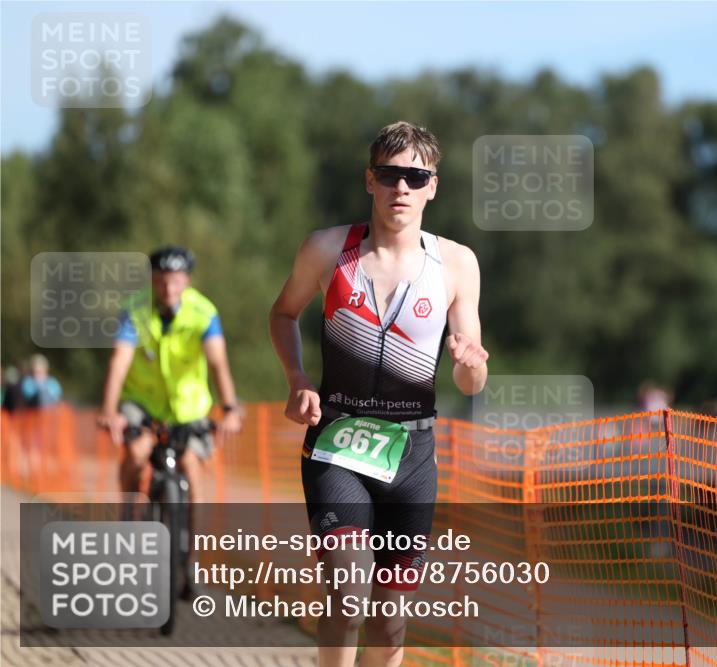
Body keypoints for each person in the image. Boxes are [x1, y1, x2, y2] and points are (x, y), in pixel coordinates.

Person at [269, 121, 488, 667]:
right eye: (391, 175)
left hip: (413, 453)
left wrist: (469, 364)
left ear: (433, 186)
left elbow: (470, 378)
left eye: (416, 176)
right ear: (371, 180)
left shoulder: (456, 263)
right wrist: (298, 380)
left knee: (390, 624)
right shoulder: (326, 249)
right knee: (347, 597)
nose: (402, 189)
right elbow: (283, 313)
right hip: (338, 442)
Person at [98, 246, 243, 594]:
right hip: (143, 404)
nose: (168, 289)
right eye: (162, 281)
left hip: (189, 408)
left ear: (187, 281)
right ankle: (128, 523)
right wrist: (109, 408)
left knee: (192, 472)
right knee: (135, 454)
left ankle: (191, 563)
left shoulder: (203, 312)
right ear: (152, 280)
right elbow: (119, 362)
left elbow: (217, 364)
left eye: (176, 281)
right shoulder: (135, 310)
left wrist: (230, 407)